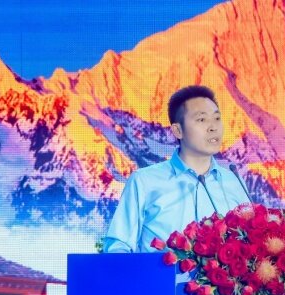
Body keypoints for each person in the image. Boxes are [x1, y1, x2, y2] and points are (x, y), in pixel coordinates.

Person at [102, 85, 251, 253]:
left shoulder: (234, 181)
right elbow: (117, 247)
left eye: (217, 118)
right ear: (178, 130)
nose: (213, 127)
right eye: (202, 120)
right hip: (160, 271)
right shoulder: (144, 181)